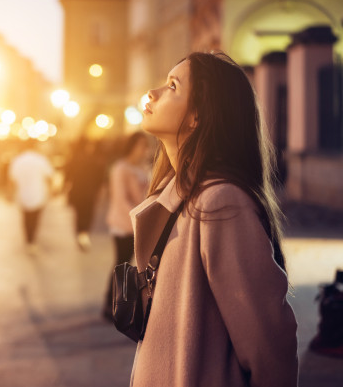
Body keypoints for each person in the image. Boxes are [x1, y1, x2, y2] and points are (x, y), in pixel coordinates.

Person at [128, 51, 298, 386]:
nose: (153, 93)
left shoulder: (221, 203)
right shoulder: (176, 194)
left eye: (172, 87)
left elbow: (270, 342)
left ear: (197, 117)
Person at [102, 131, 150, 320]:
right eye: (141, 146)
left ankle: (122, 304)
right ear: (131, 146)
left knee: (129, 265)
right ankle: (110, 304)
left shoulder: (142, 167)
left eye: (145, 146)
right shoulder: (120, 168)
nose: (144, 150)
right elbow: (121, 199)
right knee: (121, 264)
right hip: (123, 223)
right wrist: (139, 218)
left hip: (138, 222)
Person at [8, 139, 54, 254]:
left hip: (22, 194)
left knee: (26, 217)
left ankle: (28, 239)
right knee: (35, 217)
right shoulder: (41, 160)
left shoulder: (17, 160)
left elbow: (11, 180)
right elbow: (49, 177)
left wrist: (8, 193)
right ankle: (32, 240)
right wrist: (53, 190)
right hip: (38, 193)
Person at [64, 137, 106, 251]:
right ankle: (83, 235)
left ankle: (80, 235)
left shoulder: (74, 159)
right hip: (89, 193)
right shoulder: (95, 160)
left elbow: (67, 176)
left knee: (79, 215)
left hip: (78, 192)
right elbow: (100, 177)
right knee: (87, 215)